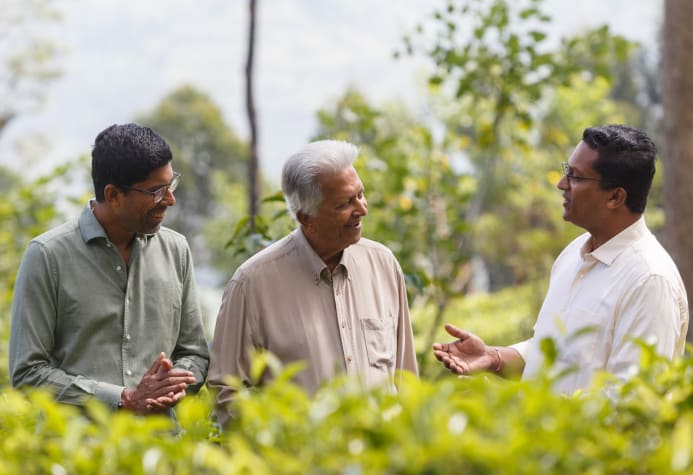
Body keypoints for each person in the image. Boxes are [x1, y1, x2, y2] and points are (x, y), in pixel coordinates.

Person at [433, 124, 688, 393]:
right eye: (567, 171)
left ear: (615, 197)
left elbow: (632, 400)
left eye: (575, 176)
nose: (562, 184)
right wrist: (494, 358)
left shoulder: (649, 281)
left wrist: (526, 408)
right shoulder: (573, 255)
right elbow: (551, 352)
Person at [208, 139, 418, 426]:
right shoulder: (252, 284)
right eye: (344, 203)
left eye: (360, 194)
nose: (362, 209)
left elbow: (406, 376)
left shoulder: (384, 265)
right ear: (306, 218)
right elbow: (226, 391)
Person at [9, 123, 210, 414]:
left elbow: (194, 354)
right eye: (157, 191)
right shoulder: (47, 256)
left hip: (160, 441)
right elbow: (27, 374)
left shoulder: (176, 249)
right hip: (76, 443)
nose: (170, 199)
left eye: (171, 185)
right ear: (113, 194)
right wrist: (123, 399)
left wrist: (169, 386)